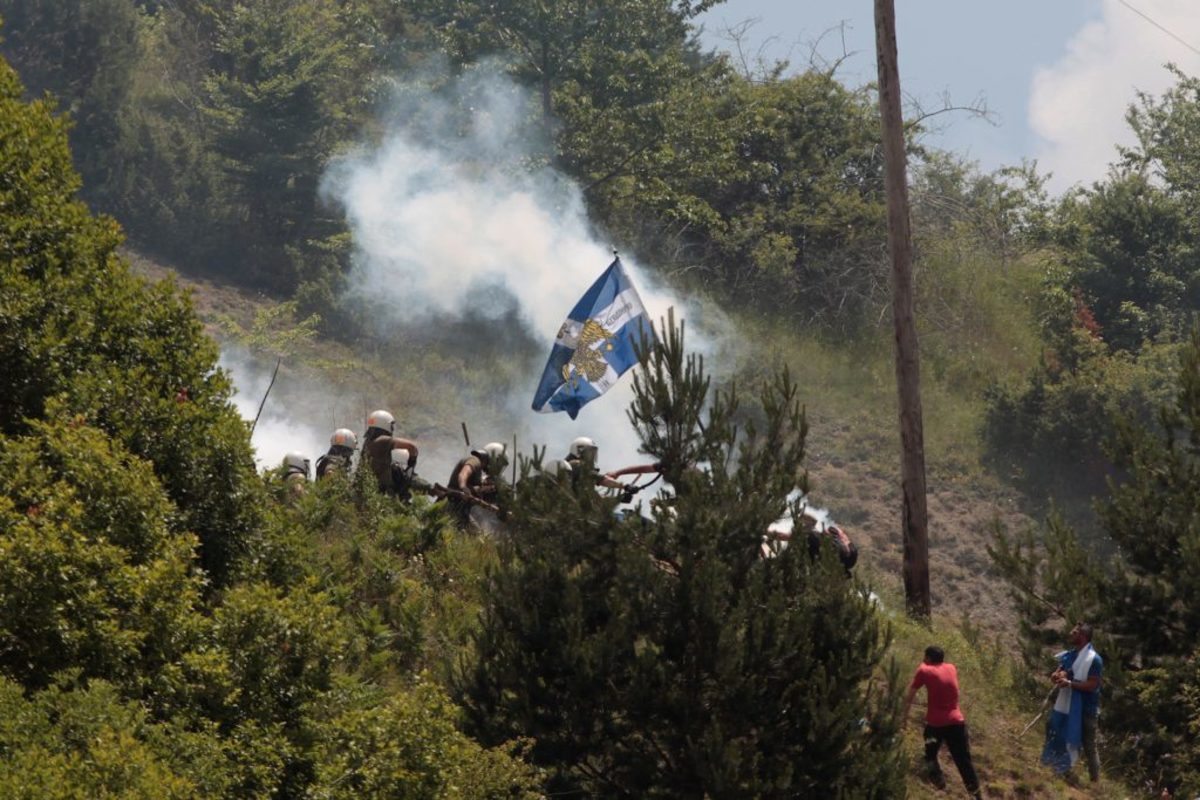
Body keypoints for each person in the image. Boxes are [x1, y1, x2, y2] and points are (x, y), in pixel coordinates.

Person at [904, 645, 983, 800]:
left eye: (924, 656)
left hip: (936, 725)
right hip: (957, 723)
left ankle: (937, 778)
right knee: (964, 762)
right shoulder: (951, 667)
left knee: (930, 751)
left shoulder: (924, 670)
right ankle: (976, 796)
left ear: (928, 658)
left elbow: (911, 694)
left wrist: (904, 719)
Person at [1043, 622, 1103, 782]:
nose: (1070, 634)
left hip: (1085, 708)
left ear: (1082, 636)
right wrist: (1057, 675)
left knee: (1089, 745)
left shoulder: (1094, 659)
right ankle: (1057, 765)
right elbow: (1063, 670)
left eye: (1074, 632)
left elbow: (1092, 684)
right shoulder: (1070, 655)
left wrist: (1070, 684)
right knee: (1053, 727)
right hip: (1065, 704)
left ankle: (1094, 782)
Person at [360, 409, 420, 498]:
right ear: (386, 424)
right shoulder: (382, 440)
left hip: (368, 490)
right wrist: (412, 462)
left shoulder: (368, 442)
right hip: (380, 493)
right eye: (391, 425)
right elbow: (412, 447)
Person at [445, 442, 507, 527]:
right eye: (499, 463)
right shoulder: (475, 460)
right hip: (453, 506)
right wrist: (463, 487)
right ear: (494, 459)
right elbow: (464, 473)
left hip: (460, 509)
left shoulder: (479, 471)